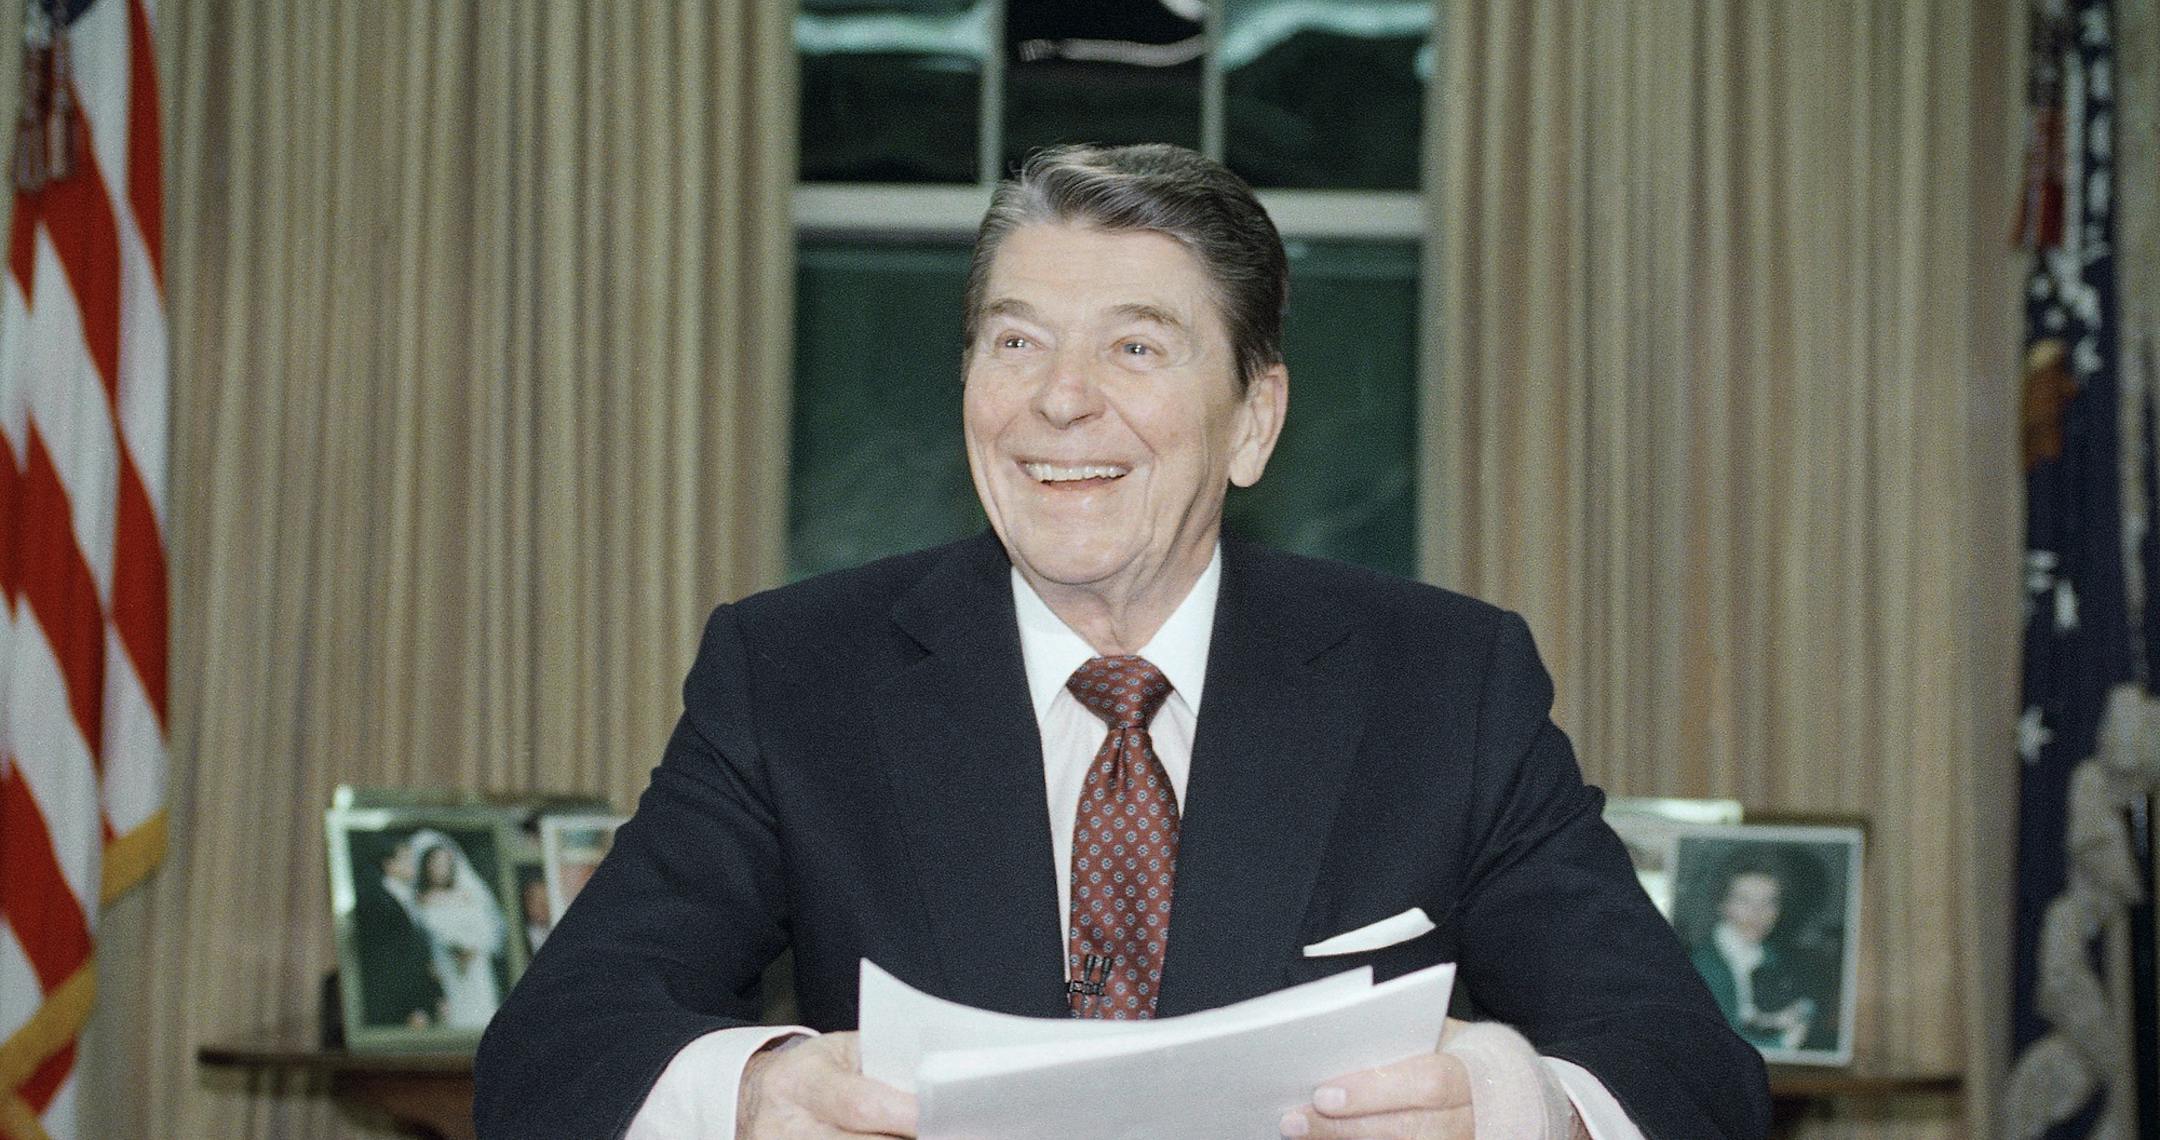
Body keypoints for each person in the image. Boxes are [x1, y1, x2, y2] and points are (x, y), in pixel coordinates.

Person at [475, 143, 1771, 1139]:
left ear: (1254, 421)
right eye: (1016, 341)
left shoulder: (1446, 685)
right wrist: (753, 1092)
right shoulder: (796, 674)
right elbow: (552, 1053)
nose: (1061, 398)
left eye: (1136, 345)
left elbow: (1688, 1072)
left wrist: (1505, 1102)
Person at [1690, 857, 1816, 1052]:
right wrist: (1783, 1043)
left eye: (1769, 902)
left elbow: (1803, 1004)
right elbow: (1718, 1046)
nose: (1758, 913)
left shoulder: (1772, 956)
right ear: (1722, 904)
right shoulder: (1703, 964)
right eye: (1744, 900)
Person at [411, 829, 508, 1029]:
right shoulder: (420, 900)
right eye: (435, 864)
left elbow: (489, 931)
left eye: (444, 863)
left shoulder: (468, 895)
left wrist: (471, 947)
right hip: (444, 970)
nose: (440, 869)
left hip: (475, 968)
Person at [352, 830, 445, 1030]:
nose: (413, 863)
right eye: (406, 859)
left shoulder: (409, 898)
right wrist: (411, 1008)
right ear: (389, 865)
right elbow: (392, 965)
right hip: (398, 1009)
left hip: (420, 1002)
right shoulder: (378, 903)